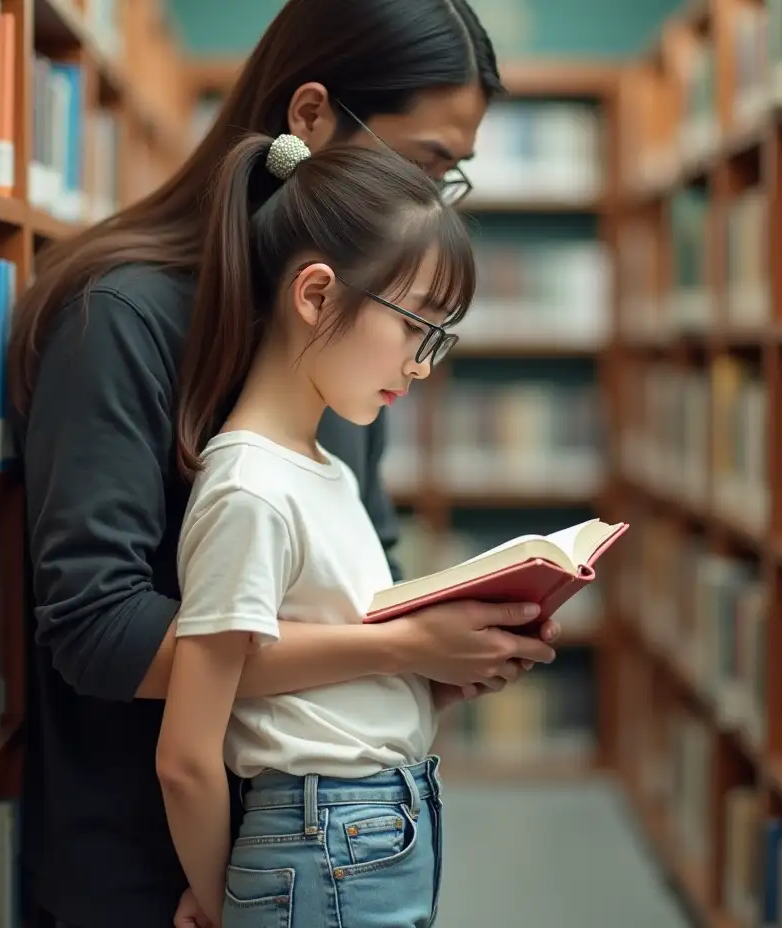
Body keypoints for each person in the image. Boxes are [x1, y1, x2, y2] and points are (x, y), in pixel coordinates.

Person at [10, 2, 561, 926]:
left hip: (338, 847)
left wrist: (443, 656)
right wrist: (396, 648)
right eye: (422, 162)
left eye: (447, 177)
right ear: (311, 119)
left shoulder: (357, 356)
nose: (430, 202)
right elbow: (98, 629)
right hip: (162, 862)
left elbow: (355, 585)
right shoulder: (123, 316)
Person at [158, 130, 480, 928]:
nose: (420, 365)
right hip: (319, 843)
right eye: (415, 327)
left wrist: (441, 678)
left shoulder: (326, 472)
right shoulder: (252, 487)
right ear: (315, 295)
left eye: (438, 338)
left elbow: (322, 708)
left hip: (378, 825)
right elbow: (187, 756)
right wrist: (219, 897)